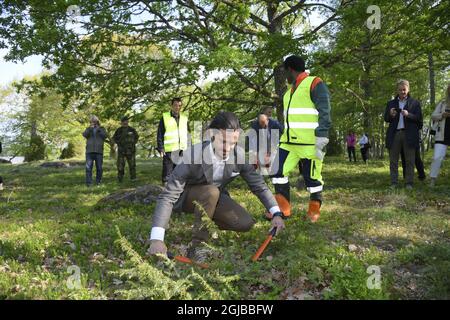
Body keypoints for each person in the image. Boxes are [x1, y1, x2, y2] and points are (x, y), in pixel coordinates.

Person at [148, 111, 286, 261]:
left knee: (245, 223)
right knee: (211, 192)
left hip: (215, 197)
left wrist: (277, 213)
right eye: (223, 142)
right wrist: (156, 239)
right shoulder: (193, 155)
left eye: (233, 142)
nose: (228, 148)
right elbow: (168, 196)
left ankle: (207, 224)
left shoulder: (238, 156)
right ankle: (197, 246)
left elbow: (259, 185)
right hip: (186, 197)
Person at [270, 55, 331, 223]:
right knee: (277, 170)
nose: (285, 76)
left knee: (313, 178)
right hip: (289, 143)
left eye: (285, 71)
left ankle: (314, 210)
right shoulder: (289, 93)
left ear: (290, 69)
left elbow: (325, 110)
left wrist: (322, 136)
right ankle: (283, 209)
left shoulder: (314, 83)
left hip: (311, 143)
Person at [384, 79, 423, 189]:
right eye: (400, 90)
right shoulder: (391, 103)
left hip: (409, 134)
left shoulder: (415, 103)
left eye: (404, 89)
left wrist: (408, 114)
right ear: (397, 90)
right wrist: (391, 114)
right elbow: (386, 119)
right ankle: (394, 183)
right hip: (394, 134)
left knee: (410, 160)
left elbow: (419, 120)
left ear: (408, 89)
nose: (402, 92)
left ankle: (409, 183)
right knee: (393, 160)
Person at [156, 97, 188, 185]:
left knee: (179, 170)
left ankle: (177, 188)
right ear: (171, 106)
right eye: (175, 105)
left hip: (182, 149)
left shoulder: (184, 118)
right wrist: (160, 148)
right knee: (167, 171)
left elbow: (186, 134)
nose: (177, 107)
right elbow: (160, 133)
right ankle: (166, 187)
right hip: (169, 149)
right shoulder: (165, 117)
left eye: (179, 106)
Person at [429, 84, 450, 187]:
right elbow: (433, 115)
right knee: (437, 157)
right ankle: (432, 180)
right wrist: (442, 115)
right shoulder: (442, 103)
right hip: (442, 135)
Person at [113, 116, 140, 182]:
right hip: (121, 151)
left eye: (126, 121)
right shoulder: (118, 130)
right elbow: (114, 138)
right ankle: (120, 179)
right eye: (123, 121)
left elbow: (137, 137)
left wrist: (132, 143)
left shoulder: (132, 130)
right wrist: (118, 143)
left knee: (132, 165)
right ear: (121, 122)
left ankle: (133, 178)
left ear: (128, 122)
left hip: (131, 150)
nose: (125, 122)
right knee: (120, 166)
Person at [82, 116, 107, 187]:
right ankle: (89, 183)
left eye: (95, 121)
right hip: (89, 151)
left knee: (99, 167)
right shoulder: (88, 128)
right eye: (92, 121)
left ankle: (98, 181)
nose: (93, 122)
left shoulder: (102, 128)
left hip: (99, 151)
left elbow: (105, 136)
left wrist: (99, 130)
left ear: (97, 121)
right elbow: (84, 135)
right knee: (88, 168)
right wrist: (90, 128)